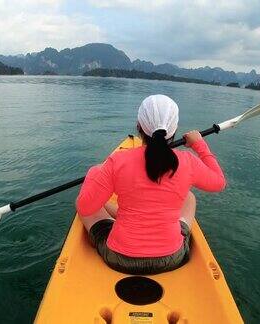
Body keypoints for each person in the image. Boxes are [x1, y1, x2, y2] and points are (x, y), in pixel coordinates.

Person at [75, 94, 226, 275]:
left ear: (139, 126)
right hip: (172, 257)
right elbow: (219, 183)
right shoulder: (187, 162)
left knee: (84, 203)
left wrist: (94, 171)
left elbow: (85, 207)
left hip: (120, 257)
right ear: (174, 129)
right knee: (190, 197)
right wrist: (200, 145)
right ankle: (122, 214)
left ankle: (119, 214)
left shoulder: (118, 161)